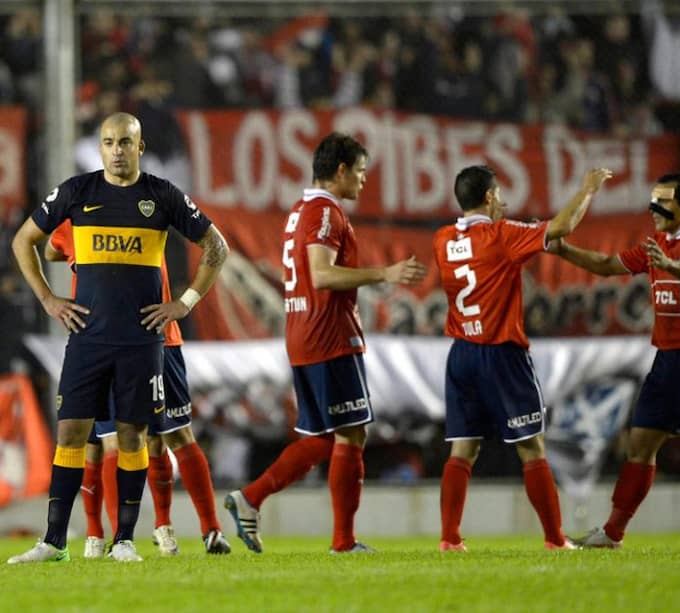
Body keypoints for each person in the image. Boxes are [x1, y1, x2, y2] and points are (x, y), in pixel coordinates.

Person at [7, 112, 228, 563]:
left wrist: (184, 302)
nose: (117, 150)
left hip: (145, 341)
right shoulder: (76, 193)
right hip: (87, 340)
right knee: (72, 433)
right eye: (109, 142)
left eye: (125, 142)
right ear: (101, 146)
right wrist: (49, 300)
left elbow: (215, 245)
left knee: (135, 438)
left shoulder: (161, 195)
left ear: (140, 147)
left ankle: (125, 539)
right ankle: (54, 541)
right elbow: (28, 241)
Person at [225, 132, 426, 554]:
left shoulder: (300, 211)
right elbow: (322, 274)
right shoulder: (324, 213)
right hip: (328, 336)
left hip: (306, 333)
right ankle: (341, 540)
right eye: (361, 172)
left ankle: (252, 498)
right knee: (350, 437)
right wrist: (383, 274)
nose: (364, 181)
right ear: (340, 171)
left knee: (323, 438)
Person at [552, 173, 680, 550]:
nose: (654, 208)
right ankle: (612, 533)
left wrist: (669, 263)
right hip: (665, 360)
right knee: (640, 443)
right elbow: (605, 264)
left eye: (662, 201)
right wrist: (564, 250)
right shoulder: (657, 244)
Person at [432, 164, 613, 551]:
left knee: (463, 448)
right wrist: (587, 189)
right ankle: (554, 539)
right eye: (498, 195)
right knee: (531, 446)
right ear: (490, 197)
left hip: (462, 353)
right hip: (502, 353)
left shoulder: (442, 238)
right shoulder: (501, 234)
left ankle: (449, 539)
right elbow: (562, 227)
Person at [45, 220, 231, 557]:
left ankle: (203, 529)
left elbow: (211, 242)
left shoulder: (148, 202)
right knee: (110, 440)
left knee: (171, 435)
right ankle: (113, 538)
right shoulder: (81, 212)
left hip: (159, 337)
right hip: (103, 340)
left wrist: (184, 301)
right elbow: (49, 247)